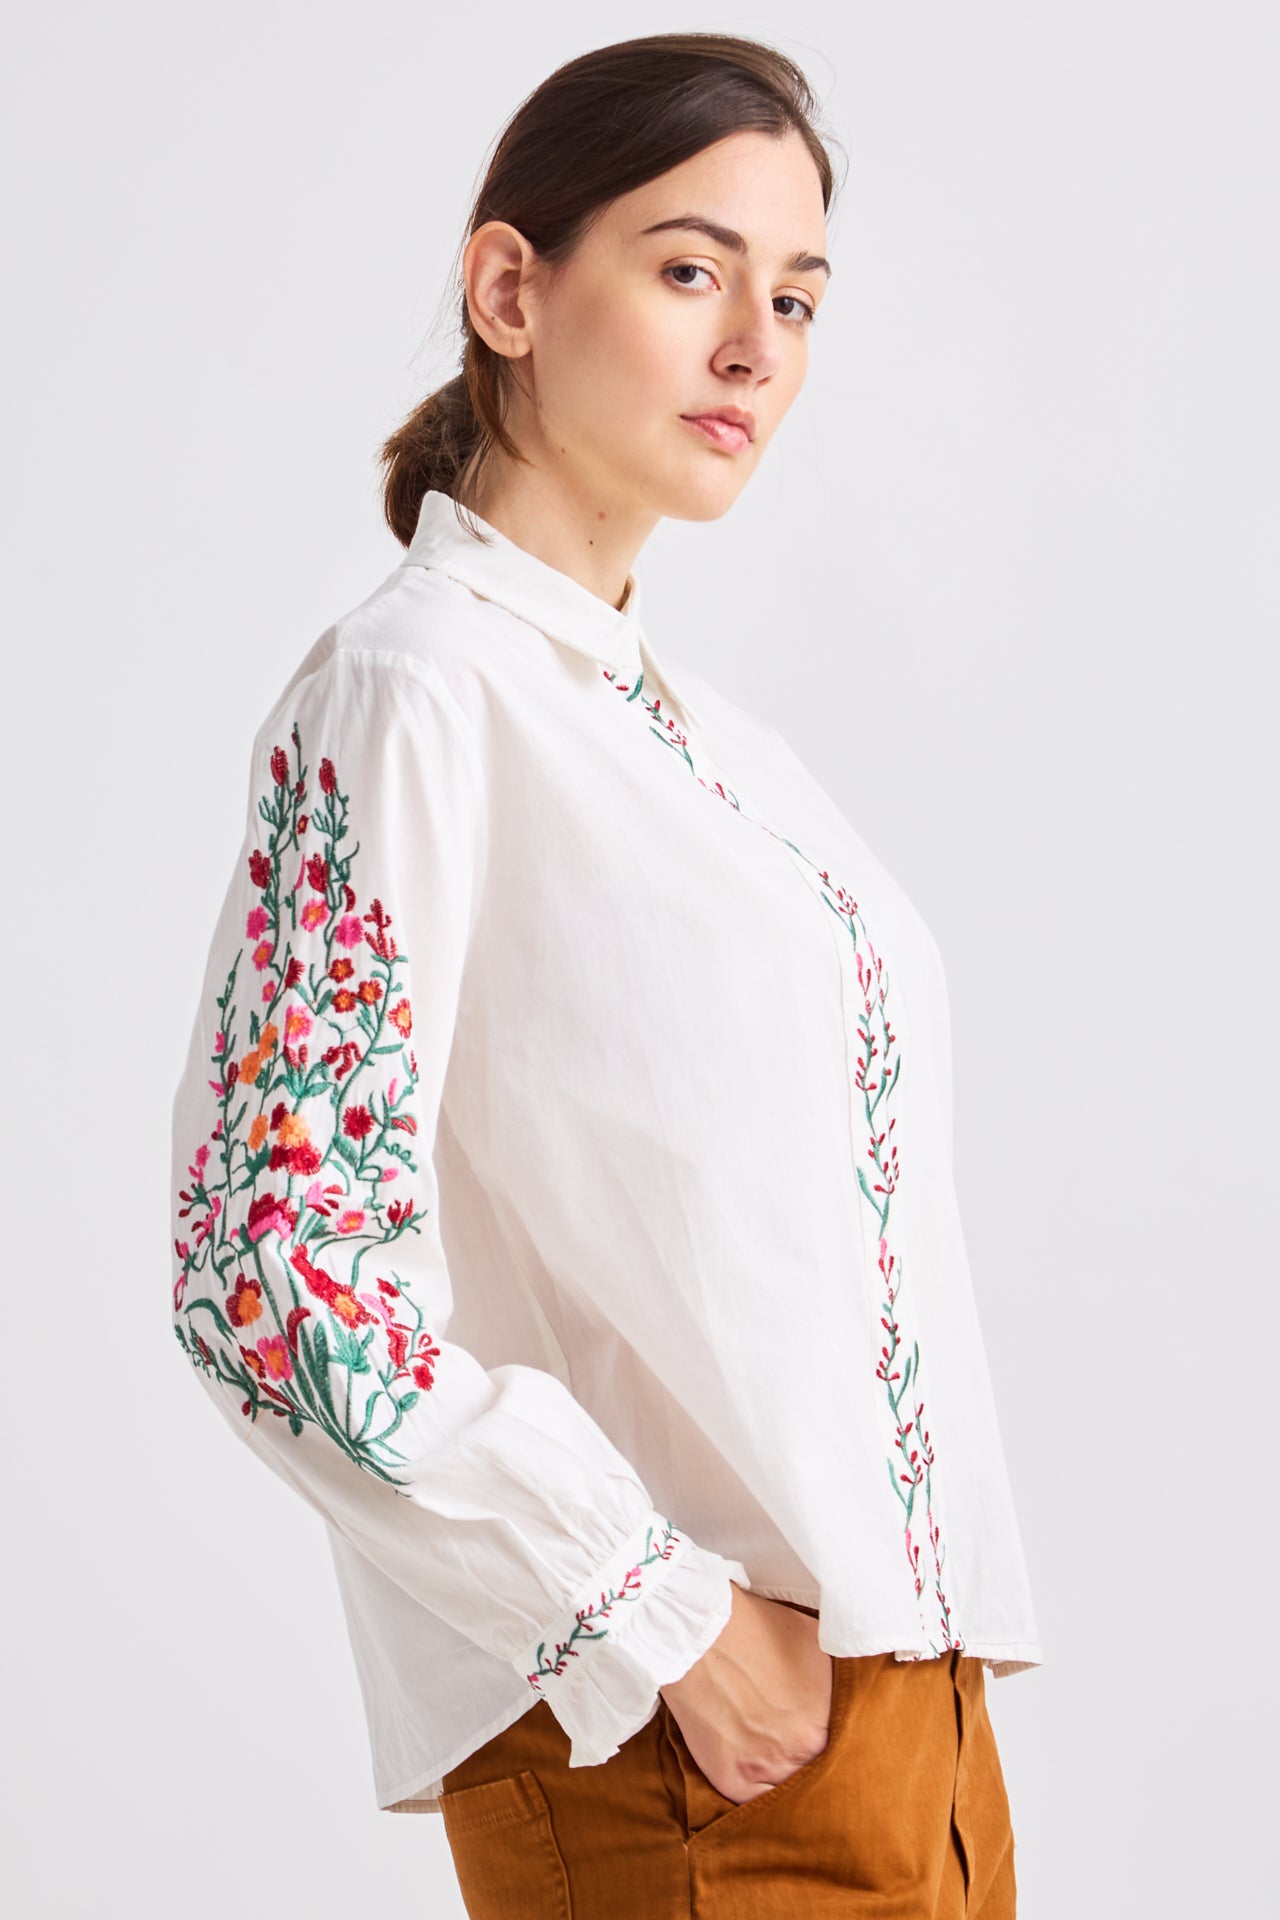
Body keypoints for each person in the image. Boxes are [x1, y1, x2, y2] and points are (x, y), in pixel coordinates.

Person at [169, 30, 1040, 1918]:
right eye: (689, 267)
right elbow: (271, 1263)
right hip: (687, 1751)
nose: (757, 347)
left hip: (909, 1735)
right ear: (511, 289)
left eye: (797, 296)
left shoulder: (699, 743)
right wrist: (662, 1617)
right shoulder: (416, 691)